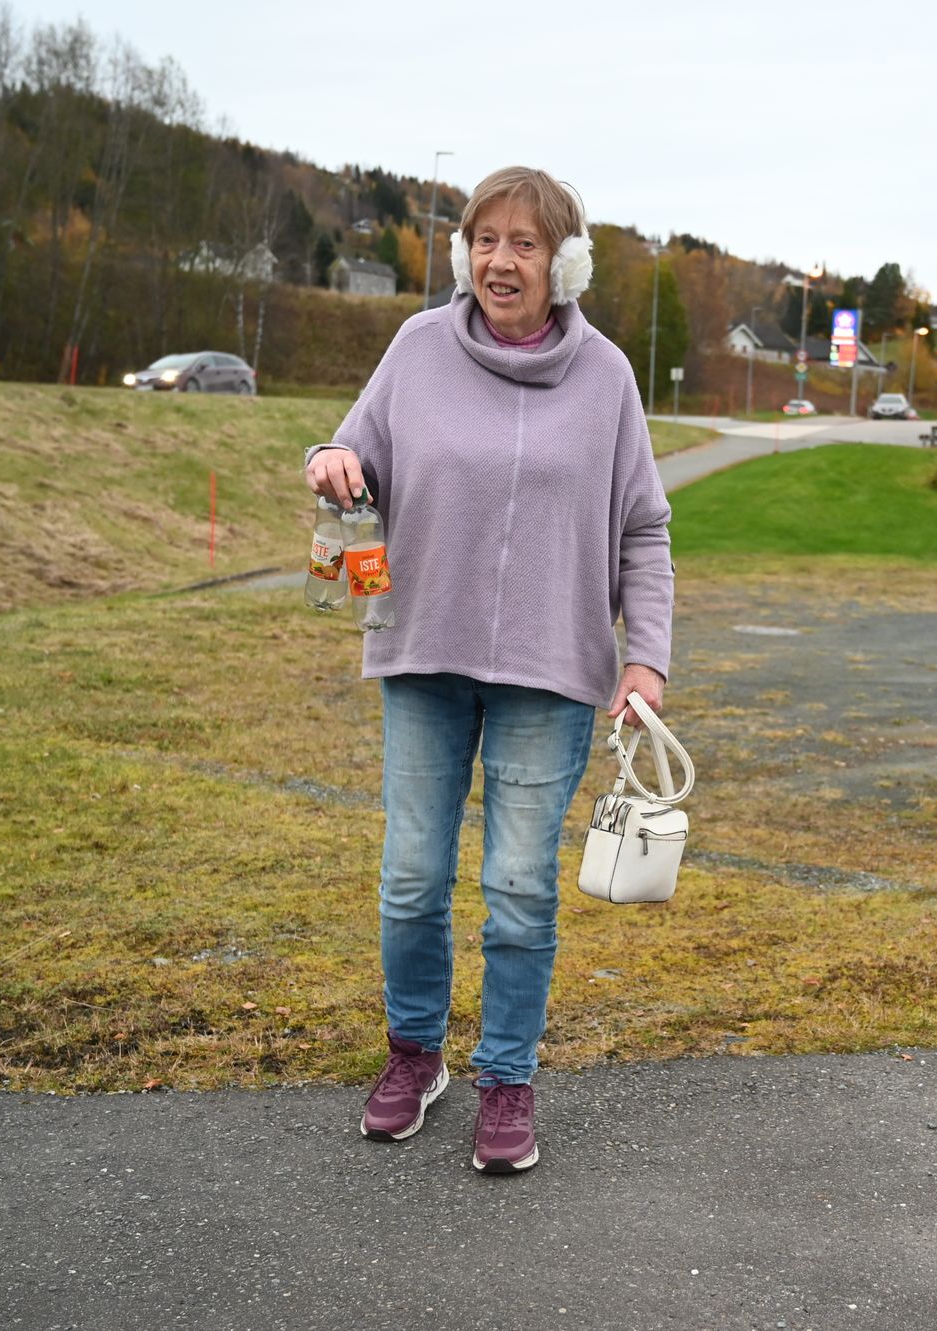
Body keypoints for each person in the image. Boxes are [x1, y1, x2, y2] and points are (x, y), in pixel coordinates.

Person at [303, 166, 673, 1174]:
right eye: (483, 238)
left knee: (517, 883)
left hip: (549, 670)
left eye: (523, 242)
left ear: (564, 261)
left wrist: (645, 655)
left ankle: (506, 1077)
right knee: (411, 875)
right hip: (423, 650)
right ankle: (414, 1055)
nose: (499, 259)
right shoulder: (417, 347)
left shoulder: (605, 377)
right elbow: (352, 450)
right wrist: (329, 462)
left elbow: (642, 526)